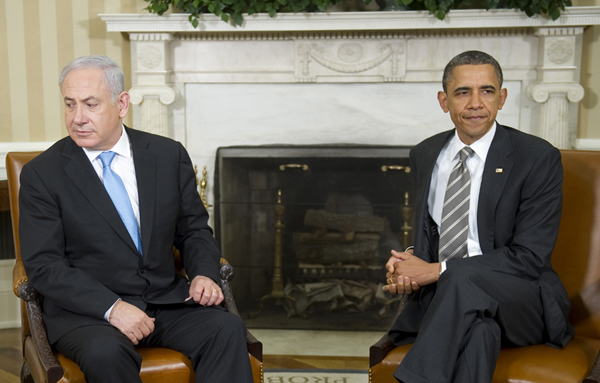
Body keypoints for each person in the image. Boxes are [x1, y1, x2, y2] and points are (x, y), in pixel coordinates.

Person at [19, 55, 253, 383]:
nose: (78, 118)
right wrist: (112, 308)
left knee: (226, 328)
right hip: (89, 315)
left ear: (122, 103)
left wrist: (203, 273)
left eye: (90, 104)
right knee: (106, 354)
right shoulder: (42, 175)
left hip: (165, 302)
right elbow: (45, 266)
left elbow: (194, 229)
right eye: (70, 105)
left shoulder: (167, 155)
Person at [382, 50, 573, 383]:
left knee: (459, 278)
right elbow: (431, 237)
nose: (475, 103)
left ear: (502, 98)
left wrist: (437, 270)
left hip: (522, 300)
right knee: (480, 333)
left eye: (486, 91)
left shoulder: (537, 158)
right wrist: (408, 264)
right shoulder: (426, 154)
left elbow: (529, 259)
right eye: (462, 92)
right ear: (444, 101)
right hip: (452, 303)